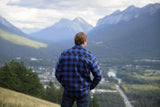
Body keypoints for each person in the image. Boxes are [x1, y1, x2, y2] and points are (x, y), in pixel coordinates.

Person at [55, 32, 102, 107]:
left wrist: (65, 84)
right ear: (84, 42)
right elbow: (98, 75)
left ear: (75, 41)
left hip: (68, 91)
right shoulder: (89, 56)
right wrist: (89, 87)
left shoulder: (64, 54)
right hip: (83, 93)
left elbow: (57, 73)